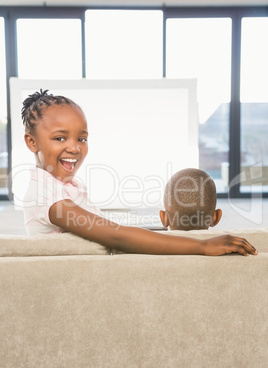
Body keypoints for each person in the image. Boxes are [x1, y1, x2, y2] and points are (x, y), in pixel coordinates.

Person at [22, 90, 257, 256]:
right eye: (60, 138)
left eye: (82, 138)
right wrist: (203, 246)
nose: (75, 147)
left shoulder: (61, 187)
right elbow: (116, 236)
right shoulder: (49, 198)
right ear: (32, 142)